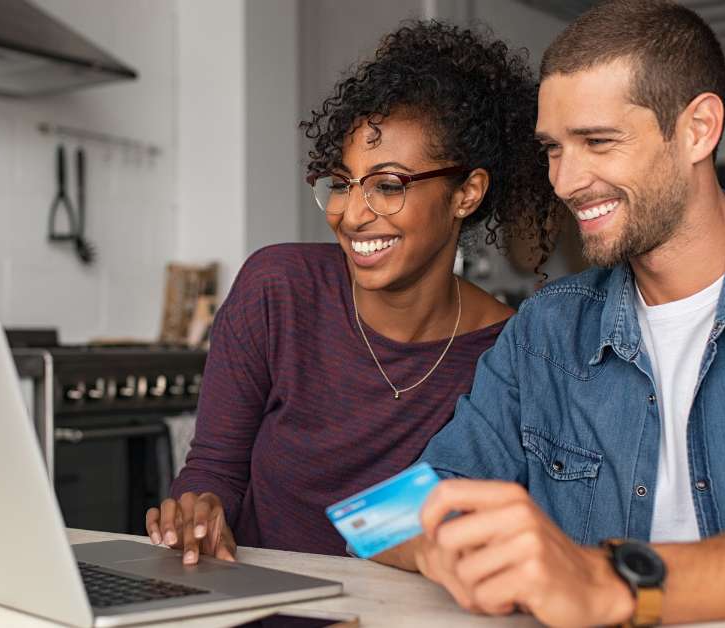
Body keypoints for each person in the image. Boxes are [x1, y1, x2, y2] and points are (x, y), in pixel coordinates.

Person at [376, 1, 725, 625]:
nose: (564, 181)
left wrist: (606, 579)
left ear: (698, 128)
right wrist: (452, 544)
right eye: (553, 149)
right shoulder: (545, 330)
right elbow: (389, 517)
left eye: (597, 142)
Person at [146, 20, 556, 564]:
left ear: (467, 194)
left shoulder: (509, 353)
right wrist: (196, 514)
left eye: (388, 186)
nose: (353, 214)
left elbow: (437, 524)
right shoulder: (278, 289)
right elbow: (213, 469)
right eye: (342, 183)